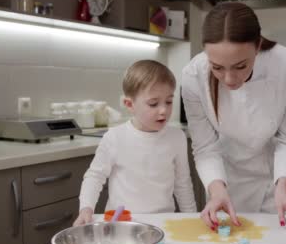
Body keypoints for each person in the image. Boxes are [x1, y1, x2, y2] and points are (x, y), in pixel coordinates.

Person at [181, 2, 286, 232]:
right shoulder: (193, 76)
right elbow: (204, 147)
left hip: (277, 180)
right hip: (224, 179)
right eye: (217, 68)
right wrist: (216, 190)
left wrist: (283, 188)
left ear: (258, 45)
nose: (230, 79)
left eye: (240, 66)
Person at [73, 60, 197, 226]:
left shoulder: (177, 137)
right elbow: (95, 176)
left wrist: (192, 218)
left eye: (168, 101)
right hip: (122, 224)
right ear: (129, 104)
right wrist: (86, 208)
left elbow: (183, 183)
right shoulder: (115, 138)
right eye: (153, 103)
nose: (164, 110)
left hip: (163, 223)